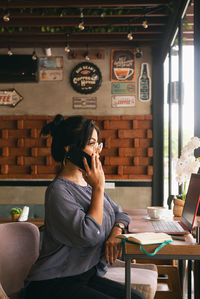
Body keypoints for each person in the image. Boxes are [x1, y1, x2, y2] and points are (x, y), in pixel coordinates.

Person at [20, 115, 145, 299]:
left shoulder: (87, 184)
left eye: (98, 145)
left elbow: (121, 214)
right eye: (92, 144)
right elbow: (88, 235)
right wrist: (99, 187)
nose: (97, 151)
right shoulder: (59, 191)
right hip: (53, 282)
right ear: (70, 149)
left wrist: (116, 233)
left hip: (85, 275)